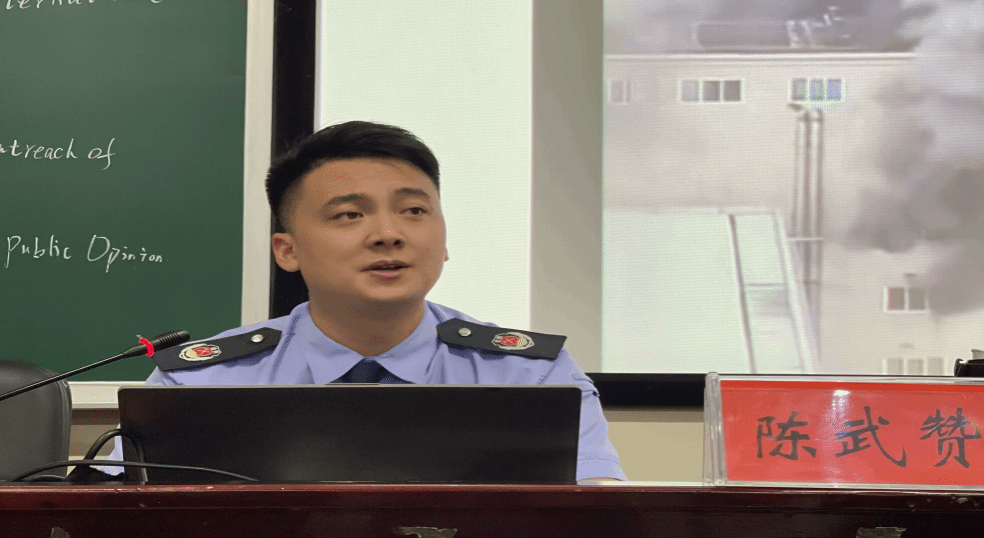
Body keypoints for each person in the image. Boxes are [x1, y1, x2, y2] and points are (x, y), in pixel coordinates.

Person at [105, 121, 625, 482]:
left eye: (414, 211)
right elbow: (113, 514)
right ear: (287, 250)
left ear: (444, 240)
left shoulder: (531, 376)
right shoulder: (201, 383)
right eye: (349, 215)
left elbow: (598, 517)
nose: (388, 234)